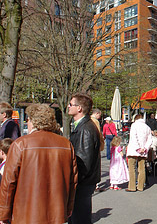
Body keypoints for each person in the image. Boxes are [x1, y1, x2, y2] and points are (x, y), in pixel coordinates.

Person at [0, 104, 78, 224]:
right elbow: (73, 181)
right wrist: (68, 207)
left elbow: (9, 181)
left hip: (25, 213)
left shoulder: (21, 144)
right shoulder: (66, 144)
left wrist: (4, 213)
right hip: (56, 213)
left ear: (32, 120)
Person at [68, 93, 101, 224]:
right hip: (83, 182)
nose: (68, 107)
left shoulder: (85, 129)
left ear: (79, 108)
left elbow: (83, 162)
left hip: (82, 184)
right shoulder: (82, 126)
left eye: (71, 104)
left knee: (79, 218)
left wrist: (74, 181)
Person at [126, 114, 152, 192]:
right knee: (142, 168)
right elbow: (149, 140)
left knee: (132, 168)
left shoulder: (134, 125)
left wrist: (138, 148)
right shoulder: (147, 127)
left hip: (134, 150)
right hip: (143, 151)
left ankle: (132, 186)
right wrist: (144, 148)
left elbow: (133, 137)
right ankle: (140, 186)